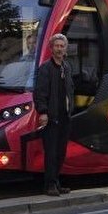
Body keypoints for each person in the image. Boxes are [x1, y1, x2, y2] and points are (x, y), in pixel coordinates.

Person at [34, 33, 75, 197]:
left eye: (62, 46)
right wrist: (43, 112)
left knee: (60, 152)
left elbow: (70, 90)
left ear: (65, 49)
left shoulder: (67, 67)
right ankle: (49, 184)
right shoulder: (45, 68)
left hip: (64, 117)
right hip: (51, 117)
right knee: (51, 152)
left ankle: (56, 182)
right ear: (51, 49)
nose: (59, 49)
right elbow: (40, 93)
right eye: (56, 46)